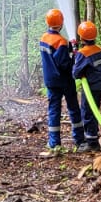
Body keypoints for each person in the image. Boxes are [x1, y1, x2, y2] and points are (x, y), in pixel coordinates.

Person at [37, 8, 80, 150]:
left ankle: (54, 142)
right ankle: (79, 139)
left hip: (50, 81)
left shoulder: (43, 39)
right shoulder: (61, 42)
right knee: (73, 107)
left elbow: (52, 57)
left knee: (54, 110)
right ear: (61, 23)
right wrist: (74, 55)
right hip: (64, 80)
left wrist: (69, 49)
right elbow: (64, 64)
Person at [71, 20, 101, 153]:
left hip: (90, 86)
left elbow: (76, 73)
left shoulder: (83, 53)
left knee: (87, 112)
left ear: (81, 37)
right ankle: (93, 137)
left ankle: (92, 142)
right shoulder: (99, 50)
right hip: (100, 85)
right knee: (94, 111)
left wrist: (76, 58)